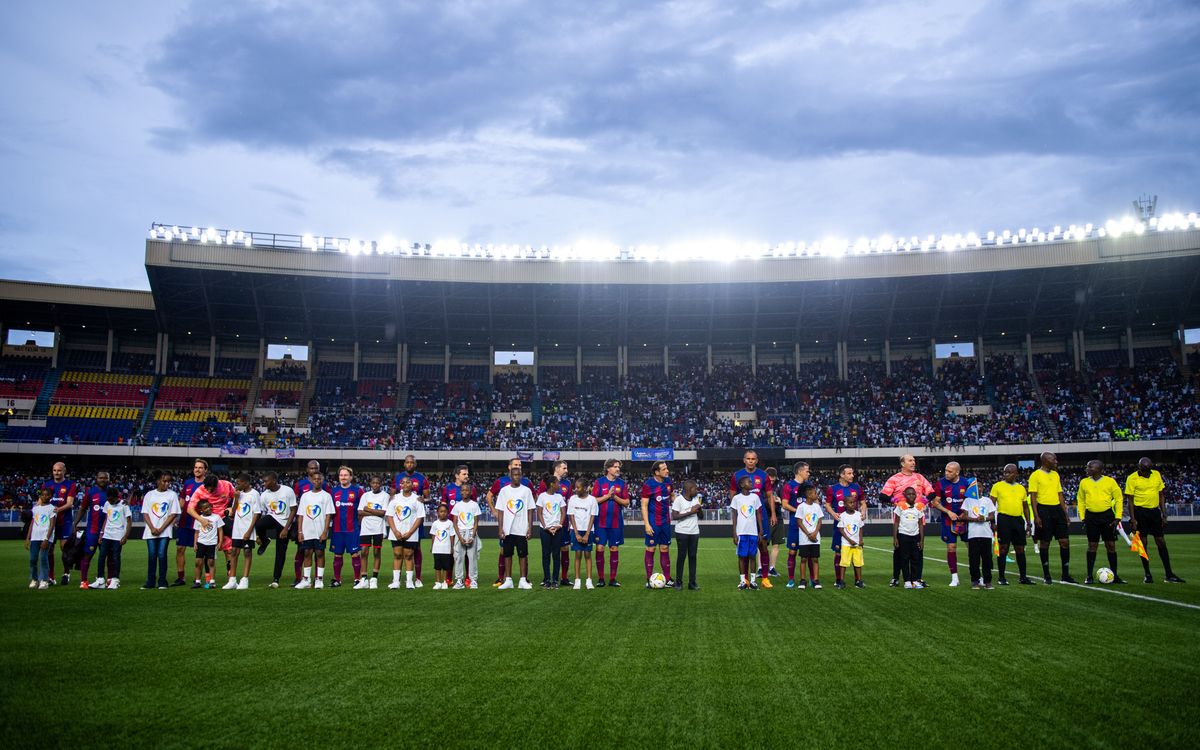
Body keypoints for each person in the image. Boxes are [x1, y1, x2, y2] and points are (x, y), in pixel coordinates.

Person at [1124, 458, 1185, 583]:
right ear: (1139, 467)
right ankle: (1147, 574)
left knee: (1161, 541)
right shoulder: (1132, 478)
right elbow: (1130, 500)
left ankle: (1169, 574)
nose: (1147, 472)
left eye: (1148, 470)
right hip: (1140, 512)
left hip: (1154, 512)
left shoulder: (1156, 474)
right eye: (1144, 470)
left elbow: (1161, 495)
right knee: (1143, 543)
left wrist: (1164, 514)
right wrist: (1133, 519)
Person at [879, 454, 933, 587]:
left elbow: (932, 492)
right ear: (902, 464)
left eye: (914, 460)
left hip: (918, 519)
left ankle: (917, 578)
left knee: (919, 550)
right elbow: (883, 495)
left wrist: (924, 502)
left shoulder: (920, 477)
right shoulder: (895, 479)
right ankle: (896, 577)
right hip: (902, 521)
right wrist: (895, 501)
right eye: (910, 460)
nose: (913, 462)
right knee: (898, 551)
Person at [729, 450, 775, 588]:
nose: (750, 461)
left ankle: (765, 578)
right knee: (746, 551)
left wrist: (772, 513)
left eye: (753, 459)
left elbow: (769, 495)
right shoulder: (737, 476)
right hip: (745, 517)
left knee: (763, 546)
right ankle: (746, 579)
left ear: (756, 460)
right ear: (744, 460)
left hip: (760, 515)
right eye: (748, 458)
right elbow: (732, 495)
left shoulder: (763, 475)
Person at [485, 457, 534, 587]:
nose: (517, 475)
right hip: (507, 528)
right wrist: (500, 527)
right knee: (506, 553)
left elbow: (530, 508)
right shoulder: (503, 489)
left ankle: (523, 580)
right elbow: (500, 509)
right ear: (510, 472)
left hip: (522, 528)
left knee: (523, 554)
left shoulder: (527, 488)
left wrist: (530, 527)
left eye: (519, 469)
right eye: (515, 469)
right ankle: (507, 580)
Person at [1029, 452, 1076, 584]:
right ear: (1045, 461)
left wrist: (1065, 514)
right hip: (1043, 510)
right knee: (1045, 542)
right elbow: (1033, 497)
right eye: (1053, 459)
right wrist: (1036, 515)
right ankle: (1047, 575)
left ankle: (1065, 575)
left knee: (1065, 541)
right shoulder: (1035, 475)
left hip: (1057, 510)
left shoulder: (1056, 475)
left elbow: (1060, 495)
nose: (1056, 461)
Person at [1077, 460, 1126, 585]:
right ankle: (1089, 576)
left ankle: (1114, 575)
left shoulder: (1110, 481)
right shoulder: (1084, 482)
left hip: (1107, 516)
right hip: (1091, 517)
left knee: (1110, 545)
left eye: (1090, 467)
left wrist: (1118, 517)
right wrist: (1083, 517)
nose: (1087, 468)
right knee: (1092, 545)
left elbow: (1119, 498)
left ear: (1098, 469)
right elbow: (1081, 500)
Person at [188, 472, 237, 585]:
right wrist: (202, 520)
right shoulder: (200, 490)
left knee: (229, 550)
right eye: (207, 489)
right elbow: (190, 509)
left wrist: (231, 508)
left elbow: (237, 497)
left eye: (212, 489)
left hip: (223, 520)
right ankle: (208, 579)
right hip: (209, 524)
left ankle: (231, 578)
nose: (209, 491)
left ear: (217, 485)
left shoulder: (226, 485)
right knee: (207, 553)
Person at [990, 463, 1036, 586]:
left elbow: (1025, 507)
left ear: (1016, 474)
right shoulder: (997, 486)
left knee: (1020, 549)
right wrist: (993, 522)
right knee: (1003, 548)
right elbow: (991, 505)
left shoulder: (1021, 488)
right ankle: (1001, 577)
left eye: (1009, 472)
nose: (1006, 474)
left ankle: (1023, 577)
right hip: (1004, 519)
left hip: (1018, 520)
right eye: (1005, 472)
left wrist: (1028, 523)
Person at [928, 461, 972, 587]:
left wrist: (965, 512)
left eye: (950, 471)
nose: (946, 473)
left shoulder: (966, 483)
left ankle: (976, 575)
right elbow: (935, 503)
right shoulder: (940, 483)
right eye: (946, 470)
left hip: (965, 519)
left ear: (957, 472)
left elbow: (972, 501)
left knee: (972, 548)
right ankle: (954, 577)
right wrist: (948, 512)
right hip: (948, 520)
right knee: (951, 547)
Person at [823, 464, 863, 589]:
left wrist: (863, 512)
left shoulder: (856, 487)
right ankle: (838, 580)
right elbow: (827, 505)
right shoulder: (833, 489)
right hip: (840, 524)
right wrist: (833, 513)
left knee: (856, 552)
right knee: (839, 552)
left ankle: (858, 580)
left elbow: (863, 502)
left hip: (854, 524)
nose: (852, 475)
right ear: (842, 475)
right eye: (849, 473)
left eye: (852, 473)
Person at [292, 460, 331, 585]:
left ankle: (319, 579)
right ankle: (304, 579)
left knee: (319, 553)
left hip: (319, 528)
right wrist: (299, 531)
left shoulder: (326, 492)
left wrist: (325, 531)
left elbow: (328, 513)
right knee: (305, 552)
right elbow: (300, 513)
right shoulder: (302, 489)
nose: (314, 471)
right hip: (306, 528)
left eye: (316, 469)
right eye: (311, 469)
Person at [392, 454, 430, 583]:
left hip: (414, 518)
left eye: (411, 462)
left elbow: (428, 498)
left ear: (415, 464)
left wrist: (423, 499)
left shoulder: (421, 478)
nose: (409, 464)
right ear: (404, 464)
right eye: (407, 462)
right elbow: (392, 497)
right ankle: (397, 579)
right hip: (399, 519)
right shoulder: (398, 478)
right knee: (398, 550)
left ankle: (417, 578)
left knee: (416, 548)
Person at [592, 458, 630, 588]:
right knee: (600, 548)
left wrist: (615, 497)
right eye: (615, 466)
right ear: (608, 469)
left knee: (614, 548)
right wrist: (608, 496)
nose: (617, 469)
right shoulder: (599, 482)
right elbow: (594, 500)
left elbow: (626, 502)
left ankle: (613, 579)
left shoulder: (622, 484)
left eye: (618, 466)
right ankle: (601, 578)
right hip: (600, 522)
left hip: (616, 522)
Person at [535, 460, 573, 586]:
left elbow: (570, 503)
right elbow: (541, 505)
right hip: (547, 525)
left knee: (564, 549)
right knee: (547, 552)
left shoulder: (567, 484)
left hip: (562, 524)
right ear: (557, 468)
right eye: (564, 468)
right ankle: (547, 578)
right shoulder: (544, 485)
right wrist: (546, 525)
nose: (566, 470)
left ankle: (563, 577)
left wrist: (568, 523)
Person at [42, 461, 81, 586]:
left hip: (65, 521)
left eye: (59, 470)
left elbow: (69, 503)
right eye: (54, 470)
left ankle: (66, 573)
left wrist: (56, 510)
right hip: (50, 522)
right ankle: (51, 577)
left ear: (64, 471)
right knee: (49, 550)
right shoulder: (47, 485)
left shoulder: (70, 485)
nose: (56, 473)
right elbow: (41, 502)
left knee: (65, 549)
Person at [140, 470, 179, 591]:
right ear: (158, 481)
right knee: (152, 555)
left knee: (162, 555)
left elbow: (173, 514)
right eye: (164, 481)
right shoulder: (149, 495)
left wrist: (161, 528)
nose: (167, 483)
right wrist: (152, 528)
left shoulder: (172, 495)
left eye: (169, 481)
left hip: (165, 531)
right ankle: (150, 581)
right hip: (150, 531)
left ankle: (162, 581)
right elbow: (145, 513)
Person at [259, 471, 298, 589]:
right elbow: (263, 513)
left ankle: (276, 578)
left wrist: (286, 529)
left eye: (266, 481)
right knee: (259, 524)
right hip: (273, 518)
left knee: (280, 552)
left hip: (285, 523)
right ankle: (265, 541)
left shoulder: (287, 491)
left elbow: (293, 510)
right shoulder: (264, 495)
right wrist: (258, 535)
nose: (263, 484)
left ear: (274, 481)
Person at [639, 460, 675, 589]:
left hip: (666, 522)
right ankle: (649, 579)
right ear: (657, 472)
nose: (667, 471)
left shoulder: (668, 482)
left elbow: (672, 496)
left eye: (667, 468)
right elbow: (644, 505)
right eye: (664, 469)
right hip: (654, 522)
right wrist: (647, 525)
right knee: (651, 549)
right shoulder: (649, 485)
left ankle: (668, 578)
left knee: (665, 549)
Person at [172, 459, 208, 586]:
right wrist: (177, 518)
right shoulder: (188, 483)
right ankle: (181, 578)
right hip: (185, 521)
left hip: (199, 521)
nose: (197, 469)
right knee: (180, 549)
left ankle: (197, 578)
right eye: (195, 467)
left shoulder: (207, 485)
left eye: (200, 468)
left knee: (199, 551)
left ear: (205, 470)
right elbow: (182, 502)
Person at [386, 476, 424, 589]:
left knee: (408, 555)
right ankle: (396, 581)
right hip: (396, 532)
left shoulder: (417, 499)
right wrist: (395, 531)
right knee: (397, 555)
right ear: (400, 485)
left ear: (412, 485)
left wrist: (410, 532)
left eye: (408, 482)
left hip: (410, 533)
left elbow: (419, 518)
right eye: (403, 482)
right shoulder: (394, 499)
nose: (406, 484)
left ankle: (409, 582)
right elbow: (389, 516)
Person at [329, 466, 364, 589]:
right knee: (337, 555)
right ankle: (337, 579)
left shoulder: (358, 491)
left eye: (345, 475)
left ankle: (357, 579)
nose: (343, 477)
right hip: (337, 529)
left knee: (355, 554)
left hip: (352, 529)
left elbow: (362, 509)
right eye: (341, 475)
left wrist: (358, 525)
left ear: (351, 477)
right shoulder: (333, 491)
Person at [74, 471, 109, 589]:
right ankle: (83, 581)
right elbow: (83, 508)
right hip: (93, 530)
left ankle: (109, 580)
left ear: (108, 479)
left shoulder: (112, 493)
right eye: (101, 478)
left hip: (108, 531)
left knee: (108, 556)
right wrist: (75, 523)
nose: (103, 480)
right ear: (96, 479)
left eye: (105, 478)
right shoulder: (90, 493)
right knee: (88, 555)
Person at [227, 472, 261, 590]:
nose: (237, 485)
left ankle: (245, 579)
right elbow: (233, 512)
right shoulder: (238, 494)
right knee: (234, 552)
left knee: (247, 552)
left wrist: (249, 530)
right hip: (237, 528)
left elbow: (257, 513)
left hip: (248, 529)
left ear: (246, 483)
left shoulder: (254, 494)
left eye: (239, 483)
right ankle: (232, 580)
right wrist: (236, 498)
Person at [779, 461, 811, 588]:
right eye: (807, 471)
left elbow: (816, 501)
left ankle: (813, 579)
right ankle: (791, 579)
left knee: (809, 554)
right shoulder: (789, 486)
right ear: (799, 471)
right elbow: (784, 504)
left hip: (809, 525)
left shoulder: (809, 485)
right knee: (792, 552)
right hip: (795, 525)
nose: (808, 473)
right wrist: (799, 511)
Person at [730, 476, 764, 590]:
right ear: (742, 485)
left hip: (753, 532)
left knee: (752, 556)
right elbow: (734, 516)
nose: (751, 483)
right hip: (741, 532)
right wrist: (734, 533)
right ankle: (743, 581)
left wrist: (760, 530)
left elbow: (758, 514)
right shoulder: (736, 498)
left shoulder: (755, 497)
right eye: (749, 482)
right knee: (742, 557)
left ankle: (753, 581)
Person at [357, 475, 390, 589]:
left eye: (377, 483)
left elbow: (383, 513)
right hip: (366, 527)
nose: (375, 485)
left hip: (378, 527)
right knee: (364, 552)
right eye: (373, 483)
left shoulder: (385, 496)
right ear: (370, 484)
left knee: (376, 552)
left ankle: (374, 578)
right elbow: (360, 512)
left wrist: (369, 509)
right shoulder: (365, 495)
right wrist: (375, 512)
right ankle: (364, 578)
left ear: (381, 484)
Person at [95, 487, 131, 590]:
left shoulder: (124, 505)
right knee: (101, 556)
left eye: (112, 499)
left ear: (117, 497)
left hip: (118, 535)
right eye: (108, 499)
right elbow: (107, 519)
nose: (110, 501)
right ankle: (100, 579)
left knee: (115, 557)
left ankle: (115, 579)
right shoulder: (107, 504)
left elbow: (129, 521)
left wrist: (125, 536)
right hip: (107, 534)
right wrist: (102, 533)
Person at [961, 485, 996, 589]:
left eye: (980, 487)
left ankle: (987, 581)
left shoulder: (987, 500)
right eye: (977, 487)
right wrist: (975, 519)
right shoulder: (968, 500)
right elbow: (964, 516)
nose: (979, 489)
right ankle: (975, 581)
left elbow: (992, 515)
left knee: (987, 559)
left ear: (983, 489)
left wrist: (984, 518)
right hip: (973, 534)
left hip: (986, 534)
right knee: (973, 559)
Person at [451, 476, 482, 590]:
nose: (465, 492)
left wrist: (472, 536)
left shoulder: (474, 505)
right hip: (460, 533)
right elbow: (454, 522)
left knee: (472, 557)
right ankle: (459, 580)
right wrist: (459, 537)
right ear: (460, 492)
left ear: (470, 492)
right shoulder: (457, 505)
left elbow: (475, 522)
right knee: (458, 557)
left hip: (470, 532)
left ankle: (473, 580)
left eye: (467, 490)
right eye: (463, 490)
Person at [671, 479, 702, 591]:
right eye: (695, 488)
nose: (697, 490)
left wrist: (699, 508)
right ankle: (678, 582)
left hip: (694, 532)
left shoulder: (696, 499)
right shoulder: (679, 500)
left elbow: (701, 516)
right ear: (689, 490)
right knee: (681, 556)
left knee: (693, 557)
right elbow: (674, 516)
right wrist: (691, 511)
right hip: (682, 532)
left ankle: (692, 583)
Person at [568, 477, 598, 589]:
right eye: (575, 487)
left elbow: (592, 517)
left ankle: (589, 580)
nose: (575, 489)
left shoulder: (592, 500)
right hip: (576, 530)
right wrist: (576, 533)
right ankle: (577, 580)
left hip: (588, 531)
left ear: (585, 488)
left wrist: (587, 534)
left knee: (587, 555)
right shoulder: (572, 499)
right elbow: (571, 515)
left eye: (578, 487)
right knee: (577, 554)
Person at [893, 487, 926, 589]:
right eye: (909, 494)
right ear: (904, 495)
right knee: (904, 559)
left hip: (915, 536)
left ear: (916, 495)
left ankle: (915, 581)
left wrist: (921, 540)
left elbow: (921, 524)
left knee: (915, 559)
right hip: (903, 535)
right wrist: (895, 538)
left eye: (913, 494)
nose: (911, 496)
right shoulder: (900, 506)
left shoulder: (919, 507)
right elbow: (896, 522)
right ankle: (907, 581)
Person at [26, 488, 57, 589]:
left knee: (43, 558)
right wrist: (28, 538)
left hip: (45, 537)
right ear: (40, 496)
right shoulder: (35, 508)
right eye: (43, 495)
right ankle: (34, 579)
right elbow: (32, 523)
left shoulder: (52, 508)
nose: (45, 496)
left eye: (47, 495)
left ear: (51, 497)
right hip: (35, 537)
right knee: (32, 559)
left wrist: (47, 539)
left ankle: (44, 580)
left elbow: (52, 524)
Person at [795, 484, 825, 590]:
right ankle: (803, 580)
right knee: (803, 559)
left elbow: (820, 521)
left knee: (815, 559)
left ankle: (816, 580)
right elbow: (799, 521)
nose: (816, 494)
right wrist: (808, 534)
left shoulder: (817, 507)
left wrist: (815, 533)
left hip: (815, 538)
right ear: (808, 494)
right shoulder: (801, 507)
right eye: (814, 493)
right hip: (804, 538)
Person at [192, 499, 224, 589]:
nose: (209, 508)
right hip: (201, 542)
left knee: (211, 562)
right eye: (205, 508)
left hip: (212, 543)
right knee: (198, 562)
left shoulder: (216, 517)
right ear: (201, 510)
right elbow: (196, 532)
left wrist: (220, 542)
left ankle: (212, 581)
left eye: (209, 506)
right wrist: (195, 543)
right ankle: (197, 581)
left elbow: (220, 530)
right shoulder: (199, 518)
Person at [836, 494, 866, 589]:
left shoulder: (858, 515)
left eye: (854, 502)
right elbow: (841, 529)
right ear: (845, 504)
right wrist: (849, 540)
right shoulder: (843, 516)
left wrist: (861, 540)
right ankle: (841, 581)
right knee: (844, 563)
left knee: (858, 563)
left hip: (857, 544)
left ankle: (858, 581)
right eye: (850, 502)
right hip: (846, 544)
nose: (853, 504)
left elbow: (860, 528)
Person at [765, 466, 787, 576]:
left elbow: (785, 501)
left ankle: (772, 568)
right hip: (765, 517)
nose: (772, 480)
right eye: (770, 478)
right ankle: (761, 568)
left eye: (773, 478)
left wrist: (779, 500)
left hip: (778, 516)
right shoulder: (761, 486)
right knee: (763, 544)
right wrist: (768, 500)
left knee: (776, 544)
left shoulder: (780, 485)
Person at [429, 503, 455, 590]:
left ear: (448, 513)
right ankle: (437, 582)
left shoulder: (450, 523)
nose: (442, 513)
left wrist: (452, 547)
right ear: (437, 513)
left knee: (446, 567)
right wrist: (432, 546)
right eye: (441, 511)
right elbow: (433, 535)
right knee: (437, 566)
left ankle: (444, 582)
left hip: (446, 548)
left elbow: (452, 536)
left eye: (444, 511)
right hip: (437, 548)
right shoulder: (435, 523)